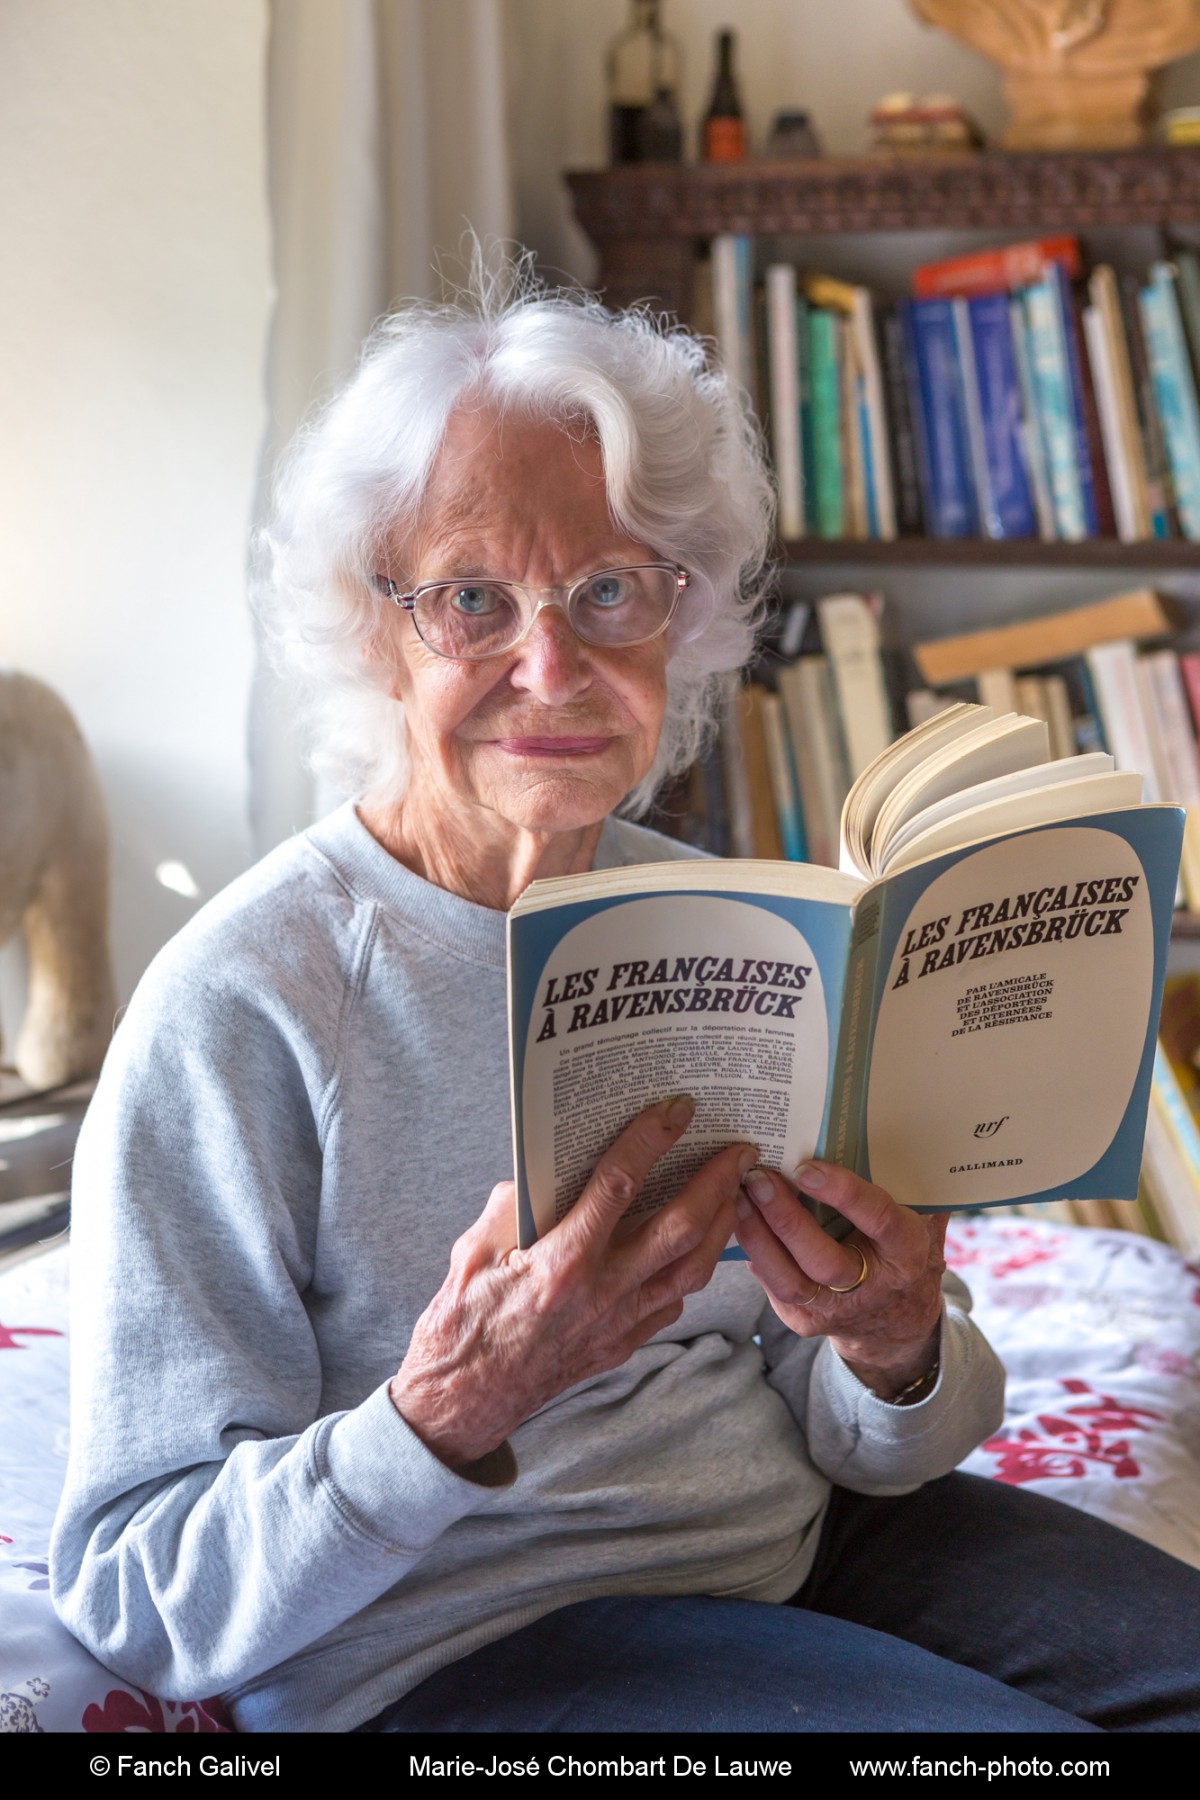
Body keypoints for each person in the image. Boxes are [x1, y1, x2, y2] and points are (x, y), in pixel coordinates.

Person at [51, 275, 1200, 1735]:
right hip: (478, 1634)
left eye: (609, 590)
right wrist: (450, 1408)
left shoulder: (725, 922)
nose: (553, 666)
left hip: (799, 1553)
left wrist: (894, 1341)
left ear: (686, 615)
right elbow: (141, 1592)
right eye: (473, 599)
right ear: (371, 626)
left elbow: (871, 1441)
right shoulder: (242, 1009)